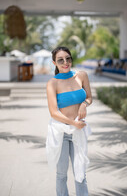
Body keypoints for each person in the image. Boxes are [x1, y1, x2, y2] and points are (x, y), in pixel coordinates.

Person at [46, 46, 92, 196]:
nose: (65, 62)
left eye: (68, 58)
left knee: (80, 173)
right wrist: (74, 123)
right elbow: (53, 112)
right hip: (61, 132)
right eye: (60, 60)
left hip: (79, 130)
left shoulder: (82, 75)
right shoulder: (52, 83)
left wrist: (84, 104)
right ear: (54, 63)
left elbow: (89, 97)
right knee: (61, 175)